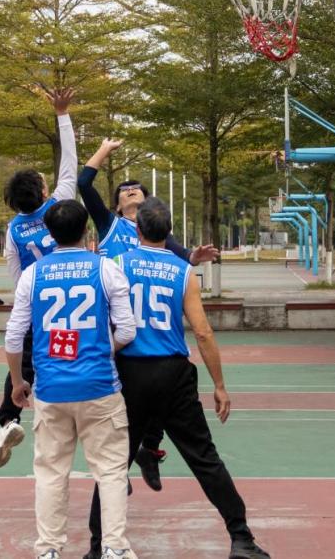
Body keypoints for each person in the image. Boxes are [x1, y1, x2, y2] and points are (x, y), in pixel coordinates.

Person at [84, 199, 270, 559]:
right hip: (173, 373)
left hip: (129, 373)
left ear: (137, 230)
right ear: (169, 232)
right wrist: (219, 385)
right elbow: (202, 332)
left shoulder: (115, 265)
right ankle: (241, 538)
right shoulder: (183, 272)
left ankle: (96, 547)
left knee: (113, 465)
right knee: (204, 458)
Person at [78, 137, 220, 491]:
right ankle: (120, 467)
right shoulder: (109, 225)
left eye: (136, 188)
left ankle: (149, 450)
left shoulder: (157, 233)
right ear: (117, 204)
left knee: (158, 393)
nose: (129, 190)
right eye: (123, 190)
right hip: (116, 327)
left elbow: (182, 256)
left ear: (146, 204)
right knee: (119, 406)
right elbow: (84, 183)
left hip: (150, 329)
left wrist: (195, 256)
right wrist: (104, 150)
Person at [5, 200, 138, 559]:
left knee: (51, 472)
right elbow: (127, 330)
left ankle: (48, 549)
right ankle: (114, 547)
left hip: (50, 388)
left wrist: (18, 381)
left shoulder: (32, 275)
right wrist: (101, 349)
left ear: (49, 233)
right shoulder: (106, 268)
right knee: (111, 472)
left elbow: (14, 336)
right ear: (86, 230)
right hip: (100, 386)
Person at [0, 87, 77, 468]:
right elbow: (70, 162)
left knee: (23, 365)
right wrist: (62, 114)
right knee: (72, 356)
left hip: (35, 303)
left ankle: (8, 420)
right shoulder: (59, 207)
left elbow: (17, 275)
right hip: (70, 300)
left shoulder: (13, 231)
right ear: (44, 190)